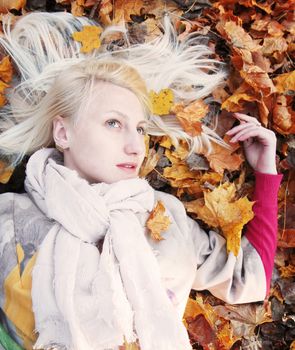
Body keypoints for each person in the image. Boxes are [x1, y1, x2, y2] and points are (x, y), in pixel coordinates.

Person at [0, 11, 282, 350]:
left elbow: (250, 278)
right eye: (114, 124)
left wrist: (266, 172)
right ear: (63, 132)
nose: (136, 147)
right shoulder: (11, 219)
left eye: (140, 129)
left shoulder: (164, 217)